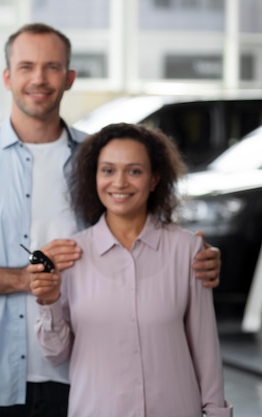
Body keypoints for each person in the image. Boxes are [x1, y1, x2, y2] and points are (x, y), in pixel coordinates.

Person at [0, 23, 222, 417]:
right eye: (26, 66)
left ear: (70, 77)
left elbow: (145, 243)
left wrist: (198, 260)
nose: (39, 78)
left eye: (52, 67)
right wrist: (22, 279)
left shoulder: (99, 162)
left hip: (82, 381)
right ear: (7, 77)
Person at [31, 123, 232, 416]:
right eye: (108, 170)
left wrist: (216, 413)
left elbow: (206, 351)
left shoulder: (187, 251)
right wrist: (48, 301)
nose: (120, 182)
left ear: (154, 180)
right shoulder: (70, 256)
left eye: (134, 171)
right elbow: (55, 354)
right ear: (94, 177)